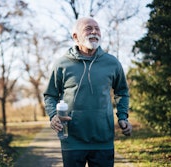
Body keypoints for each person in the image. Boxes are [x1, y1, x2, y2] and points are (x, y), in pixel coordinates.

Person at [43, 17, 132, 167]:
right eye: (88, 28)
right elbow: (50, 95)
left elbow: (122, 92)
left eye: (97, 28)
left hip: (103, 139)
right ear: (75, 36)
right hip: (71, 139)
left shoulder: (112, 62)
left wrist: (123, 117)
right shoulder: (62, 64)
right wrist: (53, 116)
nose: (94, 32)